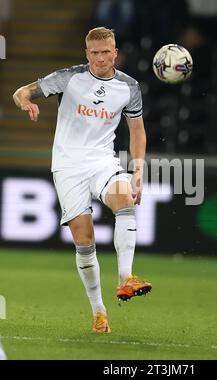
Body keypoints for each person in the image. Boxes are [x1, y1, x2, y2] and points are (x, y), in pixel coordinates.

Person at [12, 27, 152, 334]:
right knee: (85, 240)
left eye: (106, 52)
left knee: (125, 199)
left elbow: (138, 130)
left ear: (115, 53)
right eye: (94, 53)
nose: (101, 58)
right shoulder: (69, 78)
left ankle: (126, 278)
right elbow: (21, 91)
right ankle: (99, 312)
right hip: (67, 166)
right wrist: (25, 102)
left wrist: (138, 170)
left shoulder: (129, 87)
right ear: (86, 54)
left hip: (102, 160)